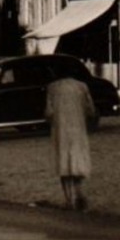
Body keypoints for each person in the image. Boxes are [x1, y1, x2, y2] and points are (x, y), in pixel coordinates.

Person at [44, 76, 96, 211]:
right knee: (77, 163)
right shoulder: (82, 86)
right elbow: (91, 109)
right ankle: (79, 192)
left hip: (61, 130)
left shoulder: (52, 87)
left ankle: (69, 199)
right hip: (78, 129)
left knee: (63, 164)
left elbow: (49, 112)